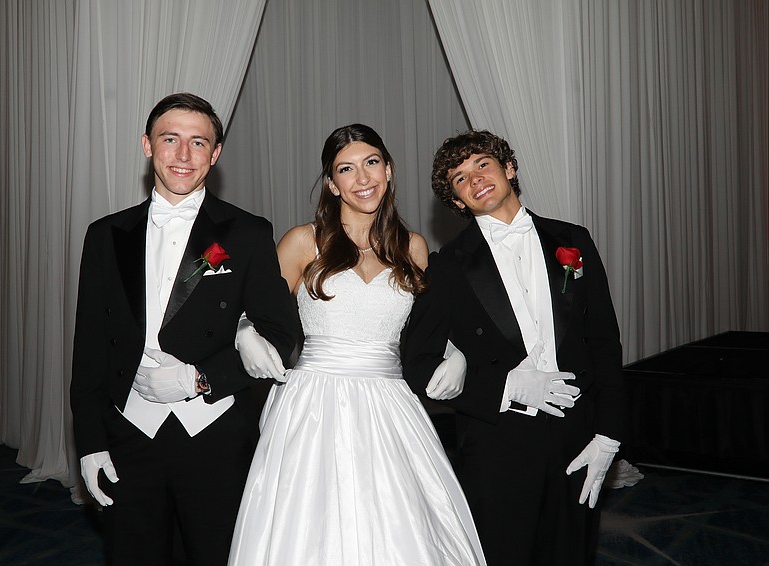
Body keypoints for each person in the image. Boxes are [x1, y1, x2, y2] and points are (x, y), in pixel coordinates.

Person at [227, 124, 487, 565]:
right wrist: (244, 331)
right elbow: (249, 308)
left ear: (388, 169)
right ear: (332, 183)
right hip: (313, 402)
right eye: (346, 169)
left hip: (390, 403)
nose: (363, 178)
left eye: (371, 163)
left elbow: (425, 330)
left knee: (403, 527)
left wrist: (455, 351)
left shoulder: (414, 248)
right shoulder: (302, 241)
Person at [70, 92, 298, 566]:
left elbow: (282, 335)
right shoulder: (106, 234)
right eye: (170, 139)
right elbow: (89, 346)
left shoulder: (244, 233)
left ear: (214, 155)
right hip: (128, 429)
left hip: (213, 432)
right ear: (147, 145)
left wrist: (202, 378)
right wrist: (90, 442)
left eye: (198, 143)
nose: (183, 154)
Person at [402, 129, 625, 566]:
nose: (475, 179)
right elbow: (417, 364)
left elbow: (604, 341)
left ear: (509, 168)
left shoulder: (572, 240)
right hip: (497, 443)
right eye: (460, 178)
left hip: (576, 434)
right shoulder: (447, 265)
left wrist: (609, 435)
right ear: (457, 201)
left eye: (481, 164)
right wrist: (504, 386)